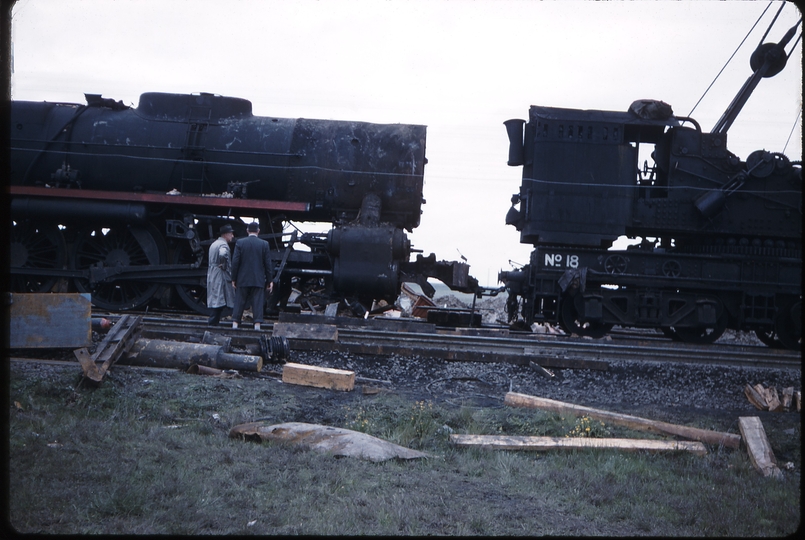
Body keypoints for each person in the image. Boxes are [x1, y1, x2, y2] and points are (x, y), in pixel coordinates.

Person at [231, 221, 274, 330]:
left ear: (247, 230)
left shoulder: (240, 243)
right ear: (258, 231)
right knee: (257, 302)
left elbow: (235, 262)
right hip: (258, 279)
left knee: (239, 300)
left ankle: (235, 324)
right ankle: (257, 325)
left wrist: (233, 278)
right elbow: (268, 264)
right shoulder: (264, 244)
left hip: (243, 278)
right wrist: (270, 280)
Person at [206, 224, 236, 326]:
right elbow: (223, 253)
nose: (232, 236)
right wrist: (224, 264)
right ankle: (213, 323)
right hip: (219, 274)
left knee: (217, 298)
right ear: (226, 235)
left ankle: (214, 322)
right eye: (231, 234)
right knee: (219, 299)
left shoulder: (214, 243)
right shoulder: (223, 245)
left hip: (213, 272)